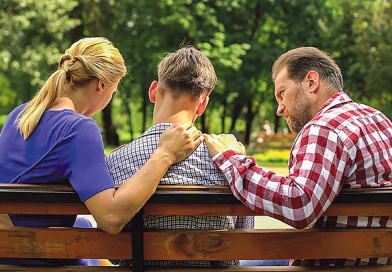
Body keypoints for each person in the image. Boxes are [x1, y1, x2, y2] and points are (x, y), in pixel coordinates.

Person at [0, 37, 203, 266]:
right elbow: (111, 219)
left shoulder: (20, 115)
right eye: (113, 91)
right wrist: (164, 154)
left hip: (9, 247)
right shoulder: (78, 128)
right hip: (34, 256)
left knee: (85, 228)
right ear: (101, 86)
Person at [204, 47, 392, 267]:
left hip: (332, 264)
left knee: (241, 265)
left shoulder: (325, 128)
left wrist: (233, 159)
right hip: (379, 263)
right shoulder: (380, 120)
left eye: (281, 93)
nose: (279, 109)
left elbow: (299, 203)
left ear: (311, 82)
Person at [106, 46, 254, 268]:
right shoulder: (229, 162)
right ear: (203, 104)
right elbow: (242, 241)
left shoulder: (115, 161)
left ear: (153, 91)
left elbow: (114, 254)